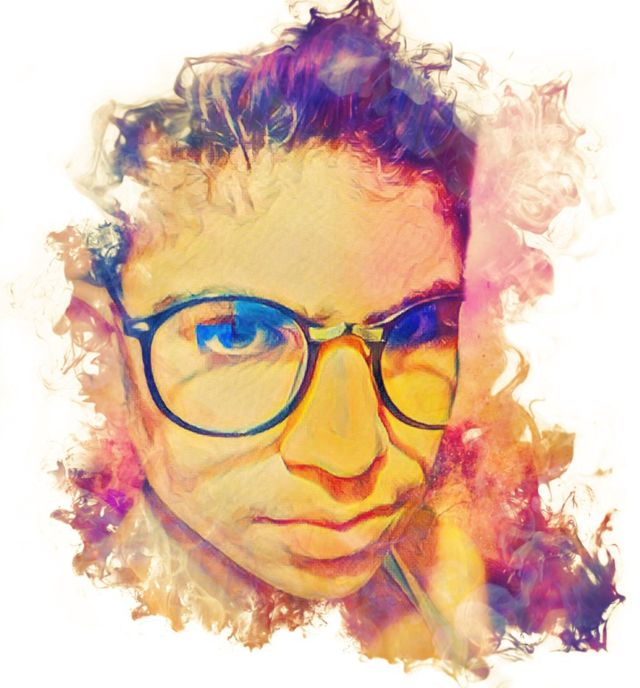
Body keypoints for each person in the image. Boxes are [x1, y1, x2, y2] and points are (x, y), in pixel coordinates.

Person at [51, 0, 622, 673]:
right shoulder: (63, 625)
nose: (350, 457)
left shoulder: (479, 606)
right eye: (240, 334)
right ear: (105, 339)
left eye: (417, 329)